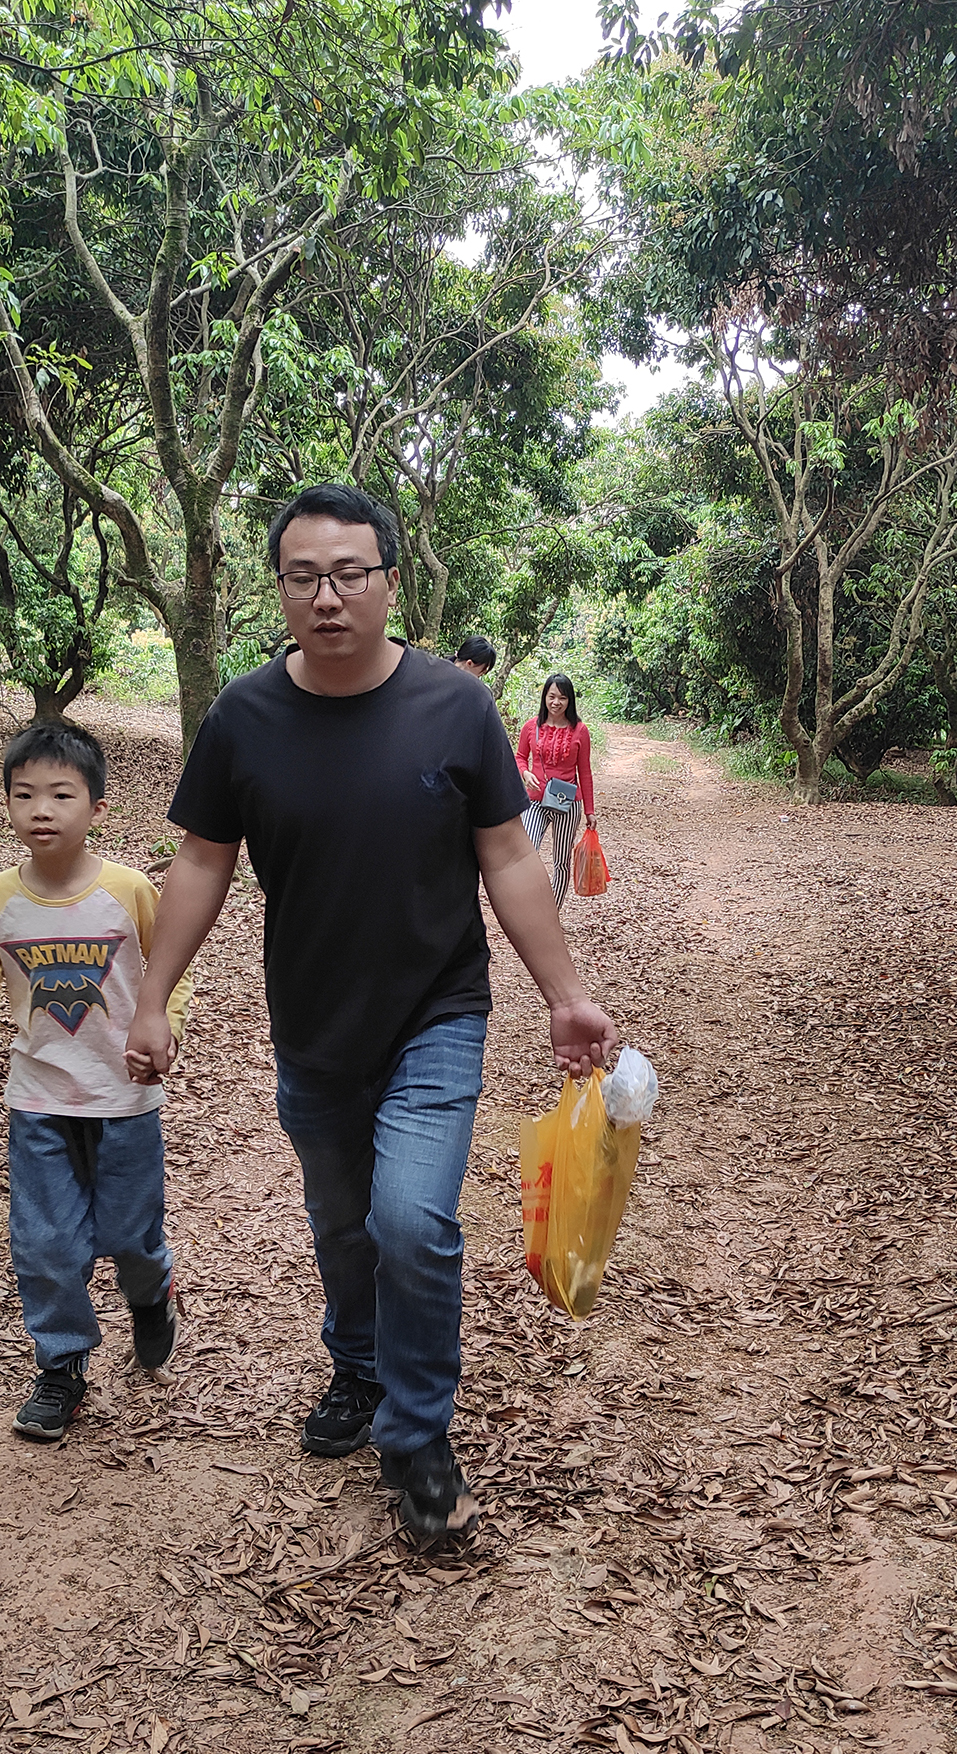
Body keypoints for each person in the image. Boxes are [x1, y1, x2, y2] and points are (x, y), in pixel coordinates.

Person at [124, 481, 617, 1540]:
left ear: (390, 581)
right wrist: (153, 996)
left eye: (349, 573)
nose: (327, 596)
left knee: (410, 1220)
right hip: (312, 1023)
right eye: (303, 576)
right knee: (344, 1224)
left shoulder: (455, 706)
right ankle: (356, 1364)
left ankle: (418, 1432)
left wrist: (565, 995)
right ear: (281, 589)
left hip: (438, 1009)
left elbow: (506, 856)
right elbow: (203, 862)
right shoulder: (243, 718)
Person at [0, 722, 192, 1442]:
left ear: (97, 807)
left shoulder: (127, 889)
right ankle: (61, 1367)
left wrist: (164, 1026)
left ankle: (150, 1295)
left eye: (61, 794)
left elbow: (169, 966)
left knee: (130, 1235)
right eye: (24, 795)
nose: (41, 810)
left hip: (124, 1098)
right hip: (38, 1096)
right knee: (44, 1241)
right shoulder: (4, 897)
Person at [516, 674, 596, 910]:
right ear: (544, 697)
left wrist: (590, 810)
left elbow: (585, 771)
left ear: (570, 700)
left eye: (562, 697)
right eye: (551, 696)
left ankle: (551, 912)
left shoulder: (580, 730)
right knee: (528, 851)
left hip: (567, 803)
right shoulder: (531, 726)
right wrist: (525, 773)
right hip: (535, 801)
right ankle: (526, 906)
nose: (556, 702)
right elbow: (520, 757)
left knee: (561, 861)